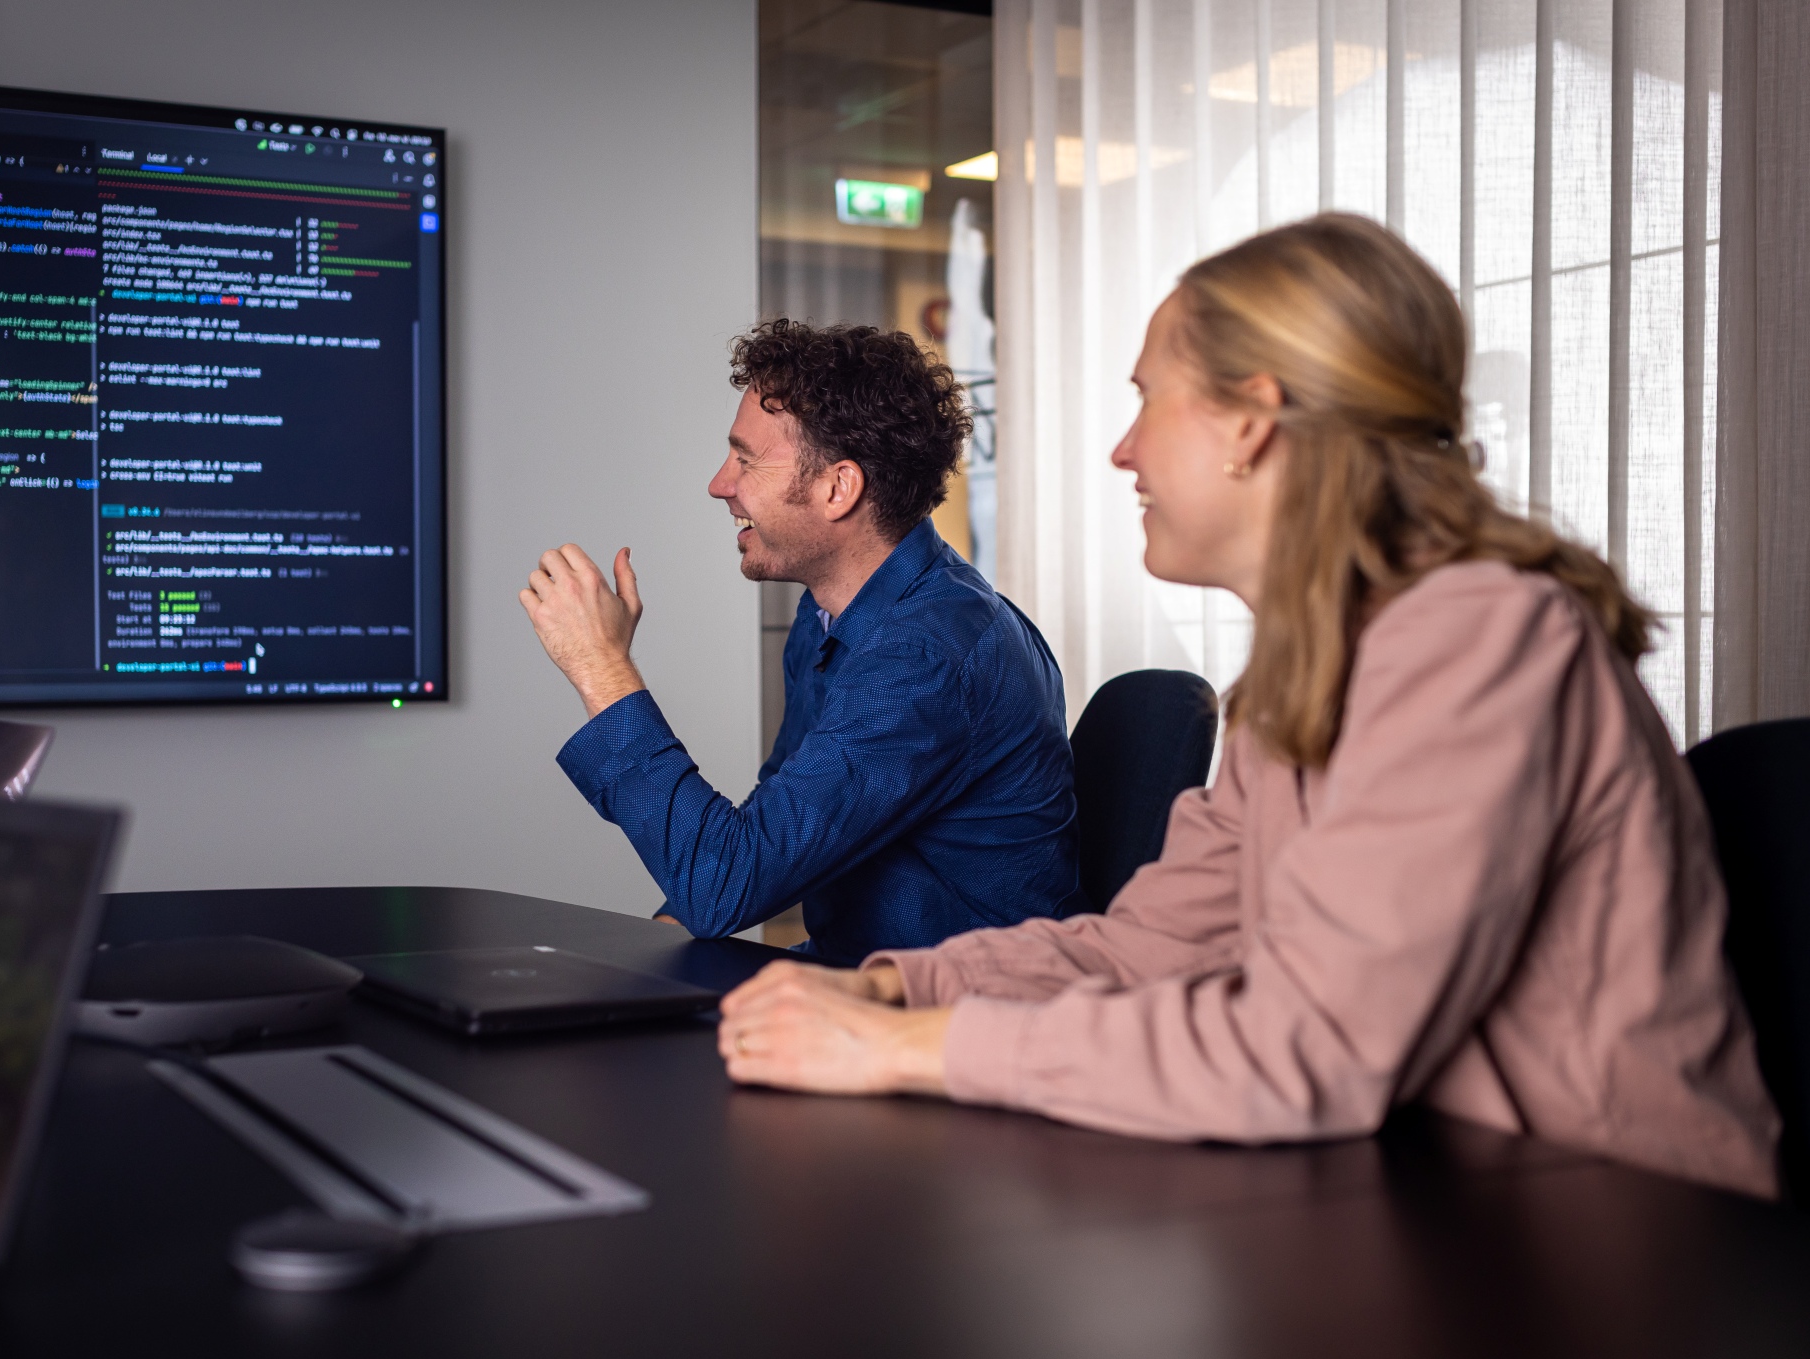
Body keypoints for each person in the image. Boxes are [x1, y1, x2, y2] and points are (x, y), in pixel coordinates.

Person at [714, 214, 1780, 1198]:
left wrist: (909, 1052)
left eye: (1145, 398)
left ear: (1252, 423)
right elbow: (1142, 951)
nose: (1122, 450)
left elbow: (1304, 1048)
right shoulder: (1312, 669)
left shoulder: (1480, 639)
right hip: (1430, 1204)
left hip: (1620, 1252)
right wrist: (896, 992)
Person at [519, 322, 1079, 966]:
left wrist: (601, 667)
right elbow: (771, 841)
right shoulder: (827, 619)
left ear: (838, 489)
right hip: (858, 984)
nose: (719, 484)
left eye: (746, 460)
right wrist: (653, 948)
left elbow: (730, 882)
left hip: (951, 1026)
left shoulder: (926, 656)